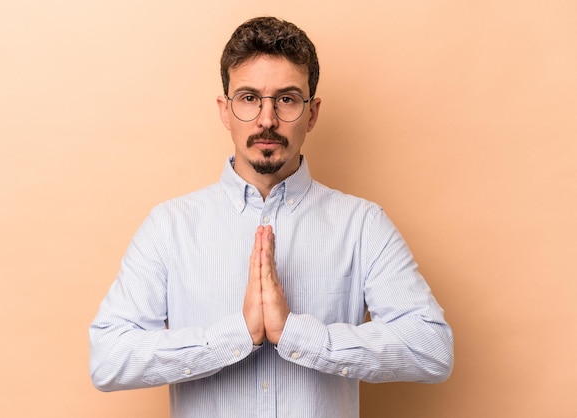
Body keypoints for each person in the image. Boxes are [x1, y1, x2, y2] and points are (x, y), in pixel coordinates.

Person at [89, 16, 453, 418]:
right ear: (225, 111)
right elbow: (108, 358)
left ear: (312, 113)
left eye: (286, 99)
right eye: (248, 98)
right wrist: (233, 337)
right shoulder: (169, 226)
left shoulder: (362, 225)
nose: (266, 119)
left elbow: (431, 349)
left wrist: (297, 335)